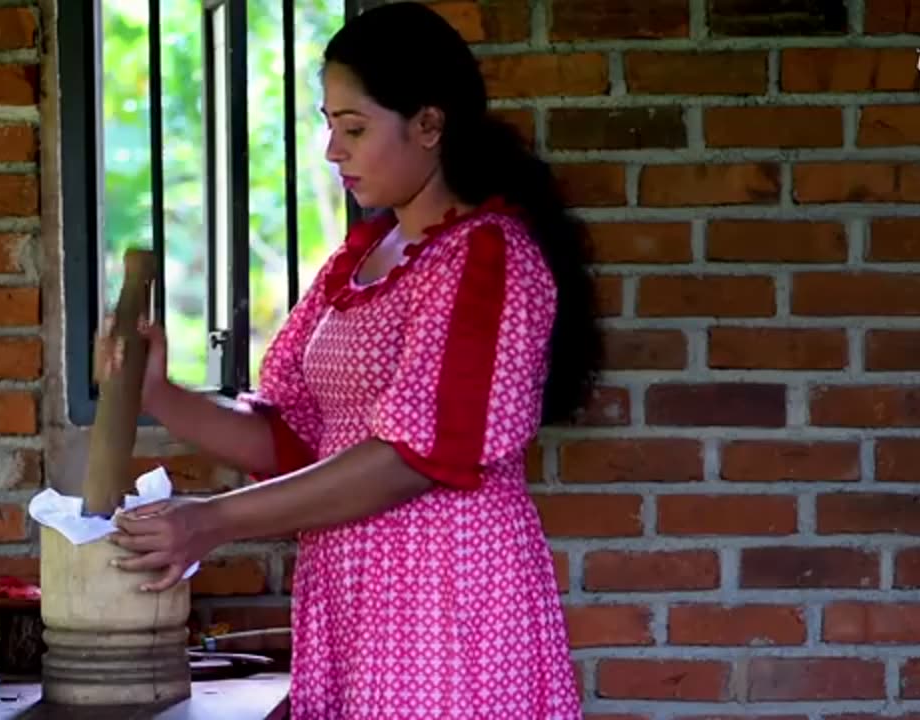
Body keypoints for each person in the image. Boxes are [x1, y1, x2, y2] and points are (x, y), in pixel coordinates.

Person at [96, 3, 601, 717]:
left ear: (429, 125)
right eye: (330, 125)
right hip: (356, 601)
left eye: (354, 128)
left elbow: (415, 456)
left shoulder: (487, 258)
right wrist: (162, 394)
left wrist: (212, 520)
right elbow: (298, 440)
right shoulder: (362, 258)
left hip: (445, 604)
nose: (334, 150)